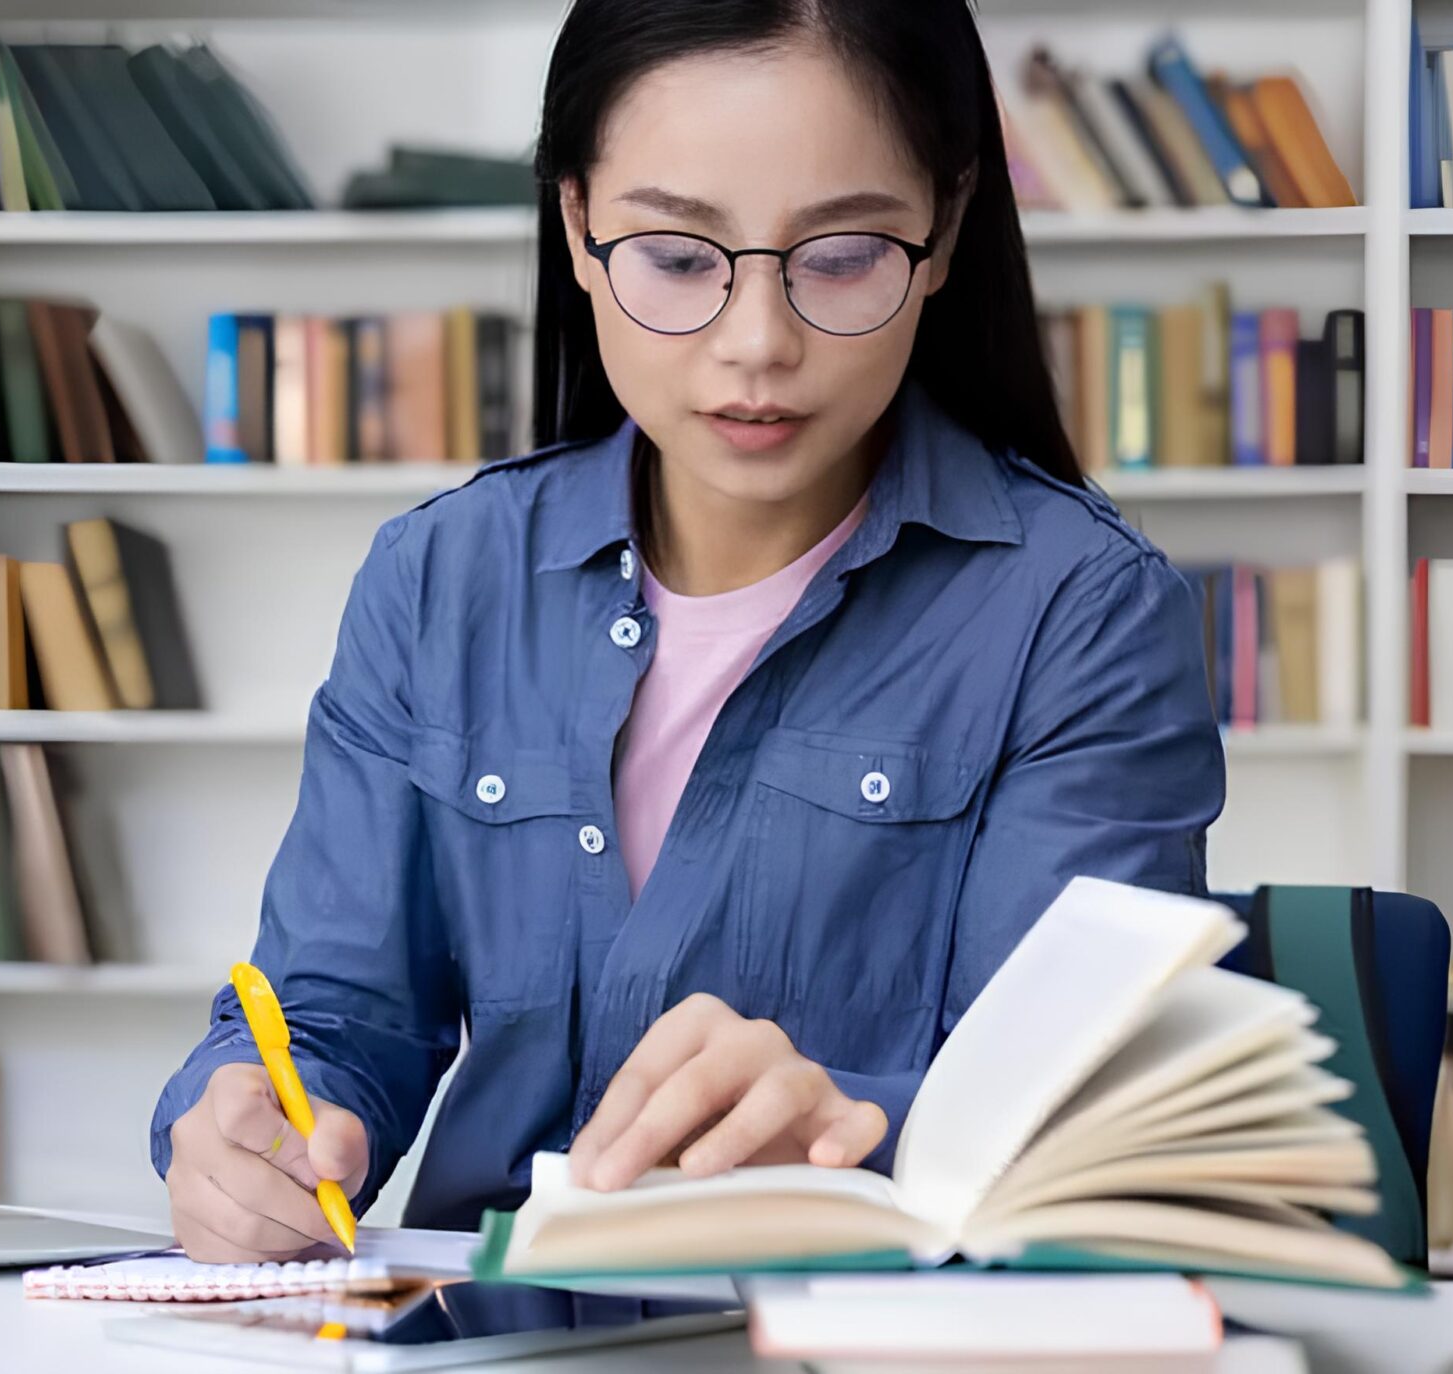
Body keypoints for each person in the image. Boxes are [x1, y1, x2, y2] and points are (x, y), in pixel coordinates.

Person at [152, 0, 1225, 1262]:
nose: (756, 345)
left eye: (840, 256)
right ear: (575, 226)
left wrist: (848, 1131)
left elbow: (1071, 1122)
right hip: (480, 1334)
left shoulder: (1079, 612)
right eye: (674, 256)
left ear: (942, 234)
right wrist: (250, 1127)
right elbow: (331, 1014)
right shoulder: (442, 577)